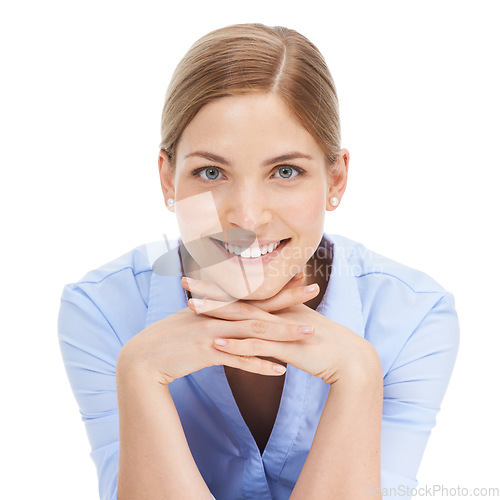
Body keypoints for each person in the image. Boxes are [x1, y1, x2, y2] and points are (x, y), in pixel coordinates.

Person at [57, 23, 460, 500]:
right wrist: (140, 372)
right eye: (211, 172)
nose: (246, 216)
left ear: (336, 179)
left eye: (285, 171)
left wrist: (358, 375)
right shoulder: (101, 310)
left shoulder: (414, 316)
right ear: (167, 179)